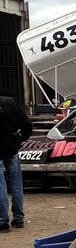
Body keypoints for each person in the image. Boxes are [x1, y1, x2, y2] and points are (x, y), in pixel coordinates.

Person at [0, 96, 33, 232]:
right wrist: (18, 139)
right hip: (12, 149)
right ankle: (19, 219)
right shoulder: (10, 102)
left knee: (1, 186)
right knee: (16, 185)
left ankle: (2, 221)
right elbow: (27, 124)